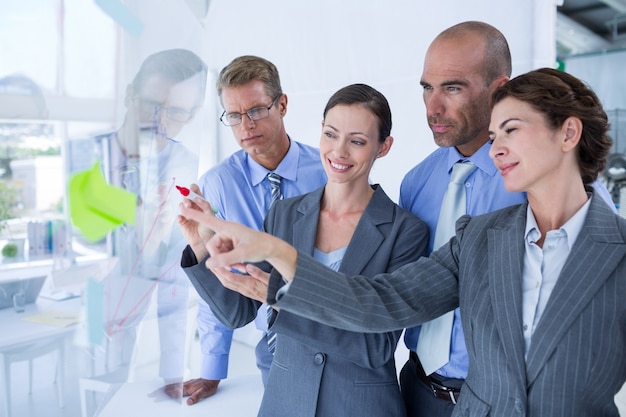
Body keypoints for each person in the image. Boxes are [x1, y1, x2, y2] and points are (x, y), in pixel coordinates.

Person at [182, 68, 626, 417]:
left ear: (568, 133)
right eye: (493, 137)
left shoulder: (616, 250)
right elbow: (376, 302)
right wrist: (234, 251)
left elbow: (375, 341)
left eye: (510, 131)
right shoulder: (479, 238)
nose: (494, 150)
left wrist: (276, 283)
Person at [182, 83, 429, 416]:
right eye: (330, 134)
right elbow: (238, 312)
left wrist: (282, 301)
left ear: (383, 147)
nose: (339, 152)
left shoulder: (405, 230)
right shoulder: (285, 214)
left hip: (360, 406)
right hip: (285, 400)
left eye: (357, 141)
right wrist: (201, 245)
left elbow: (375, 347)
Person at [179, 55, 327, 405]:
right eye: (234, 115)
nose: (245, 125)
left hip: (331, 331)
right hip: (273, 348)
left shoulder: (326, 170)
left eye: (257, 110)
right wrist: (212, 367)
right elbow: (216, 276)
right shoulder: (217, 185)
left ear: (282, 105)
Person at [397, 21, 525, 416]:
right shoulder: (417, 182)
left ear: (500, 89)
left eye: (452, 87)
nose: (433, 108)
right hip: (416, 390)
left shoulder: (536, 180)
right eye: (426, 88)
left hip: (501, 401)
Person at [91, 48, 208, 396]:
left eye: (175, 112)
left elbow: (180, 270)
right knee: (102, 383)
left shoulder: (187, 165)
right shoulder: (91, 159)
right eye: (150, 106)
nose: (160, 121)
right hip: (99, 307)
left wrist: (173, 375)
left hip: (158, 305)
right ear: (129, 95)